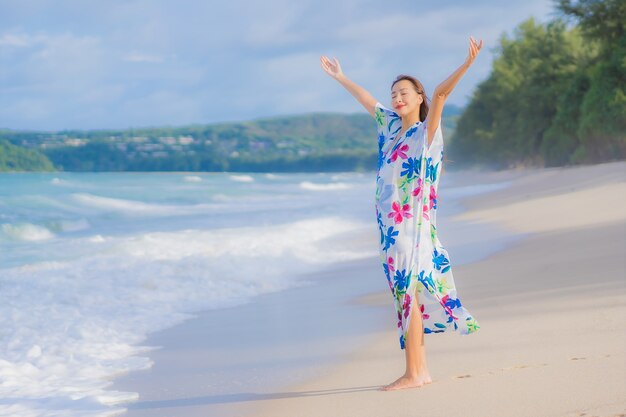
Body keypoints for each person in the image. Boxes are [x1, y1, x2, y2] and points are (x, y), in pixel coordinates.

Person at [320, 36, 483, 391]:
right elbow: (366, 99)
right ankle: (418, 370)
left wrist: (466, 65)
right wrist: (340, 77)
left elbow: (441, 95)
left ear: (418, 97)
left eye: (404, 92)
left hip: (413, 227)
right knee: (403, 294)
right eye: (394, 93)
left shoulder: (427, 133)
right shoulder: (390, 127)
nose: (397, 98)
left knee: (407, 292)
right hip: (390, 228)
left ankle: (415, 373)